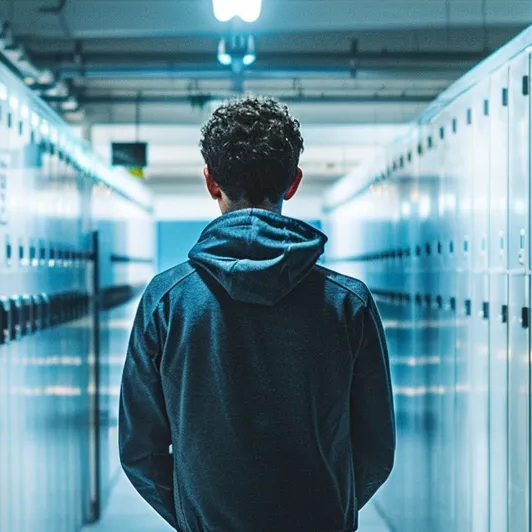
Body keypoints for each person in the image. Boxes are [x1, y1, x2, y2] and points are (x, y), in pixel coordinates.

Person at [119, 96, 395, 532]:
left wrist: (197, 517)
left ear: (211, 181)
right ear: (293, 182)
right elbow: (376, 447)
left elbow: (139, 449)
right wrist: (329, 510)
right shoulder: (347, 303)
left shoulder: (167, 300)